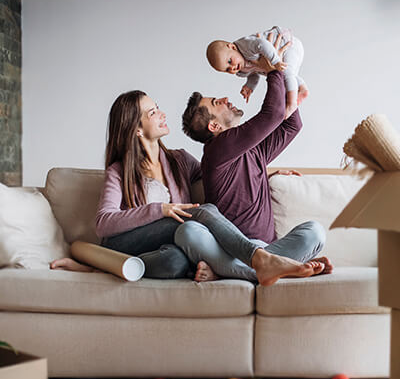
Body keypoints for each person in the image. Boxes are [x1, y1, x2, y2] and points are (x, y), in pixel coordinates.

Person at [51, 89, 327, 286]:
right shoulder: (119, 171)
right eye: (152, 112)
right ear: (137, 129)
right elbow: (103, 224)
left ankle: (256, 265)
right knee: (198, 214)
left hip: (170, 247)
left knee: (177, 262)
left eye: (157, 107)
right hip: (126, 243)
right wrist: (160, 210)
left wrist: (265, 176)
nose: (161, 113)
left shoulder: (180, 160)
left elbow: (220, 176)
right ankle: (259, 259)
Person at [181, 32, 333, 278]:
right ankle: (270, 268)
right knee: (188, 232)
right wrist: (271, 69)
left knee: (315, 232)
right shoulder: (217, 149)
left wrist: (282, 71)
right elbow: (273, 115)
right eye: (216, 103)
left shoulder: (253, 152)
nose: (224, 99)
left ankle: (242, 271)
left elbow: (291, 125)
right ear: (214, 127)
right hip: (233, 251)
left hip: (271, 249)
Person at [207, 25, 308, 118]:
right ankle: (302, 89)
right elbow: (254, 73)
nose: (232, 67)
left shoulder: (245, 46)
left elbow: (262, 44)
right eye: (227, 69)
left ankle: (291, 104)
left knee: (287, 73)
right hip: (281, 57)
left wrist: (275, 60)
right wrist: (250, 86)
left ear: (232, 47)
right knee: (288, 75)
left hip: (287, 45)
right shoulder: (240, 71)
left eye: (230, 61)